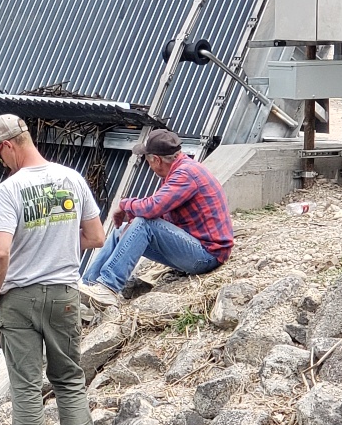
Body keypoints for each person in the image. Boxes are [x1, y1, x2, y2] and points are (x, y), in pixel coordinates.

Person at [0, 114, 106, 425]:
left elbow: (1, 251)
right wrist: (61, 245)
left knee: (27, 391)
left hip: (19, 301)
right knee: (69, 381)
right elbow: (97, 237)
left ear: (7, 146)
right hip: (64, 295)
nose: (0, 163)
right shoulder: (73, 178)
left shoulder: (10, 189)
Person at [80, 128, 233, 308]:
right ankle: (89, 287)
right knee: (121, 230)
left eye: (148, 161)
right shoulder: (180, 171)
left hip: (207, 255)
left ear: (157, 160)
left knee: (144, 223)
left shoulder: (185, 174)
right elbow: (161, 213)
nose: (149, 166)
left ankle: (108, 286)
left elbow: (152, 209)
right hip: (197, 248)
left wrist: (124, 204)